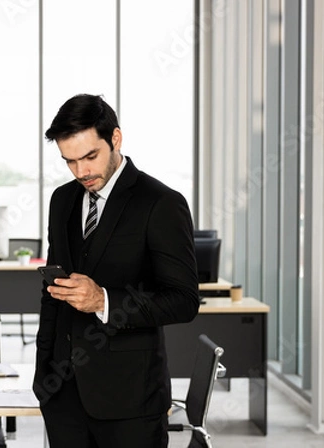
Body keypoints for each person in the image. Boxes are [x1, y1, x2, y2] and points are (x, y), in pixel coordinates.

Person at [33, 94, 200, 448]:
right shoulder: (62, 200)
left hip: (131, 404)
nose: (82, 172)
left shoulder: (161, 203)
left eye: (90, 157)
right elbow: (53, 293)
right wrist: (42, 374)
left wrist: (104, 301)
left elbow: (184, 301)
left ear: (116, 139)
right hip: (63, 397)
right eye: (70, 161)